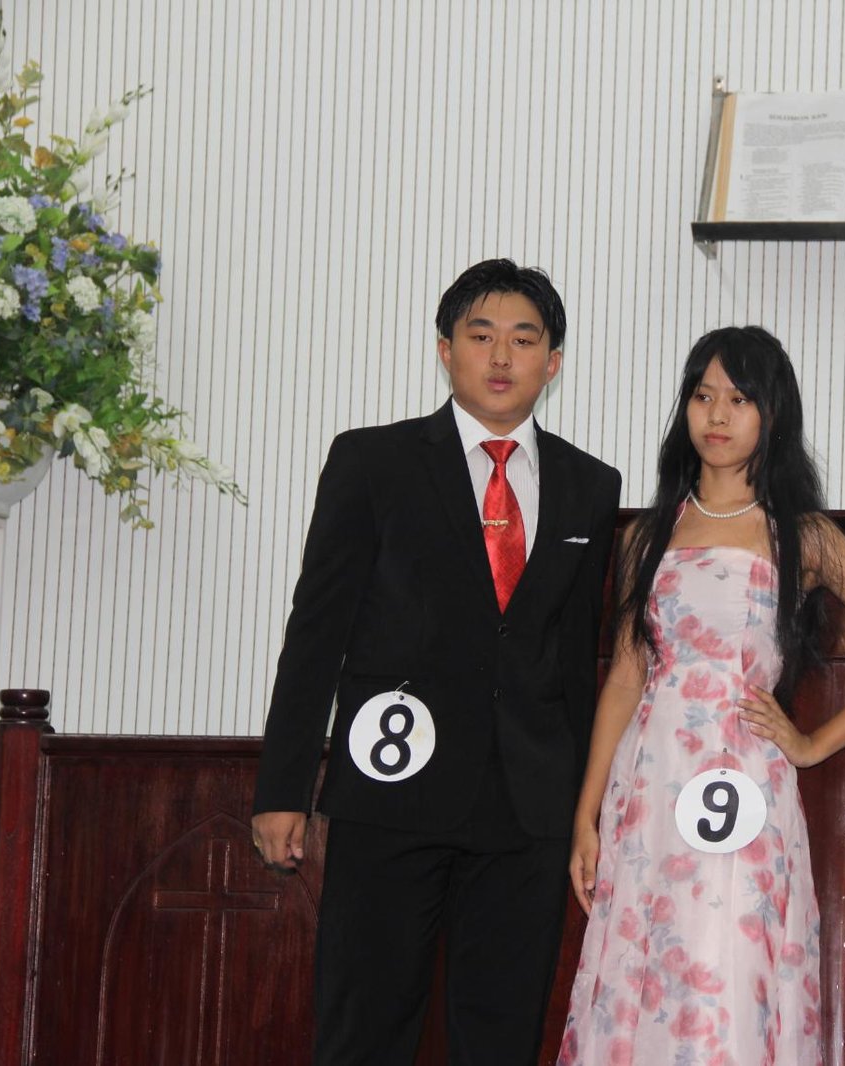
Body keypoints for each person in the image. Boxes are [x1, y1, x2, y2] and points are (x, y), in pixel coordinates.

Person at [251, 258, 622, 1065]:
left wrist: (586, 810)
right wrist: (282, 789)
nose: (501, 356)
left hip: (527, 809)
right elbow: (316, 633)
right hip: (392, 794)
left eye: (524, 339)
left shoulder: (590, 486)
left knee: (501, 1038)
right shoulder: (372, 463)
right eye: (480, 336)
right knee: (364, 1029)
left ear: (553, 362)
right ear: (445, 350)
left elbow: (575, 661)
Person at [556, 325, 845, 1065]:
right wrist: (586, 812)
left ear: (772, 413)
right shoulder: (645, 536)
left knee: (729, 962)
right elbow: (626, 676)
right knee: (641, 968)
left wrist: (811, 744)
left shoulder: (805, 536)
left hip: (744, 781)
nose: (717, 415)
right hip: (650, 782)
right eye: (703, 397)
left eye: (738, 399)